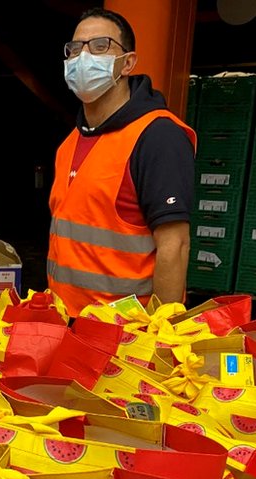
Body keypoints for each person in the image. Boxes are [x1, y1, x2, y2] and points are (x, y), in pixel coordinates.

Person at [47, 7, 195, 316]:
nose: (83, 57)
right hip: (65, 323)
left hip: (124, 337)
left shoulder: (157, 137)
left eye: (100, 46)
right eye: (75, 49)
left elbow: (175, 246)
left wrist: (161, 337)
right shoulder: (70, 143)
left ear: (127, 63)